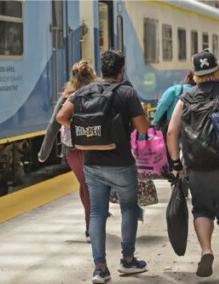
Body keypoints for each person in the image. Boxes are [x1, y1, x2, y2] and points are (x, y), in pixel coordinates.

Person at [56, 50, 150, 284]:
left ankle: (100, 269)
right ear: (121, 71)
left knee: (97, 213)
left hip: (93, 164)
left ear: (102, 70)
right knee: (128, 209)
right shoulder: (127, 92)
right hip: (121, 164)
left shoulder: (84, 91)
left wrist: (85, 131)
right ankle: (128, 261)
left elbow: (61, 117)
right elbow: (143, 128)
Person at [167, 49, 219, 284]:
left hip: (197, 168)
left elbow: (172, 132)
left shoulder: (186, 98)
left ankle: (206, 251)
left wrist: (176, 164)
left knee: (202, 211)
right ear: (218, 70)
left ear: (194, 74)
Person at [38, 60, 96, 243]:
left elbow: (53, 125)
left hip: (72, 150)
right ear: (92, 76)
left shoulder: (66, 97)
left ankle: (91, 221)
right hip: (94, 147)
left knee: (84, 184)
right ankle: (91, 227)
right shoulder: (97, 94)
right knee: (89, 186)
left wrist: (43, 153)